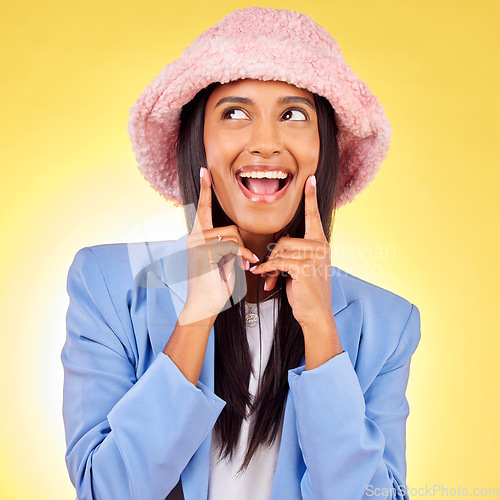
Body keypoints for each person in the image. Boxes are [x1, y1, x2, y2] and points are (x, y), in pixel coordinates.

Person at [62, 7, 421, 500]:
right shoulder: (106, 283)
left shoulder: (388, 324)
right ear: (198, 142)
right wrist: (194, 319)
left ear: (325, 147)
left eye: (294, 115)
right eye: (234, 112)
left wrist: (321, 334)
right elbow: (107, 491)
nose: (266, 143)